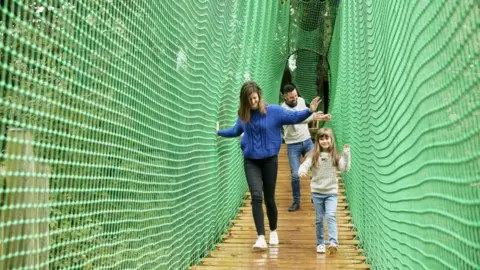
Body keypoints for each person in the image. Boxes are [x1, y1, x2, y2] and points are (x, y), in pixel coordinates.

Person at [217, 81, 320, 250]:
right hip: (251, 161)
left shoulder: (274, 111)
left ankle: (273, 230)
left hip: (269, 160)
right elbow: (236, 131)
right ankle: (260, 237)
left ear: (259, 96)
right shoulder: (244, 114)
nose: (252, 102)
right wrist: (218, 131)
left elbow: (294, 117)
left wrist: (309, 110)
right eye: (249, 100)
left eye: (254, 98)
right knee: (256, 196)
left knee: (269, 198)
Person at [298, 128, 351, 255]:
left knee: (331, 215)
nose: (324, 141)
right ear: (318, 141)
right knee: (319, 219)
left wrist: (346, 154)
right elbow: (306, 164)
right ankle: (320, 243)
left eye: (327, 138)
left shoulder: (335, 156)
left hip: (331, 192)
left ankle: (333, 242)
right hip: (317, 192)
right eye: (321, 139)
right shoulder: (313, 155)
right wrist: (302, 170)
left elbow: (345, 168)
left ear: (331, 140)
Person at [281, 84, 331, 212]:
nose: (295, 98)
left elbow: (307, 115)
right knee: (294, 174)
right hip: (293, 144)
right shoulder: (282, 109)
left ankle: (317, 195)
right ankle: (296, 201)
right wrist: (312, 116)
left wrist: (319, 116)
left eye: (296, 95)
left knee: (317, 167)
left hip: (307, 140)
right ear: (285, 97)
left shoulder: (301, 101)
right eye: (291, 97)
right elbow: (296, 119)